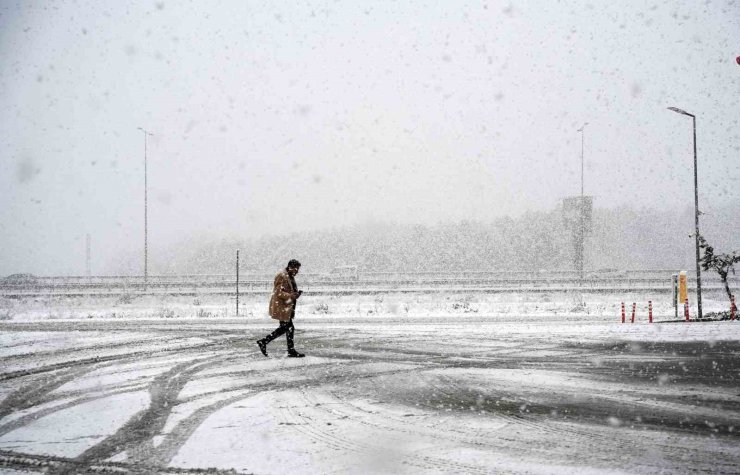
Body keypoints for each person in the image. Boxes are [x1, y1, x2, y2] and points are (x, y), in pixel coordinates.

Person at [256, 259, 305, 357]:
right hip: (282, 306)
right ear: (290, 267)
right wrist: (291, 295)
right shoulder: (282, 275)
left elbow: (287, 290)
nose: (297, 271)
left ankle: (289, 350)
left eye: (298, 269)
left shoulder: (289, 275)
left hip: (287, 306)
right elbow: (278, 292)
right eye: (296, 269)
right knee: (286, 328)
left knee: (288, 328)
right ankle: (264, 342)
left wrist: (295, 295)